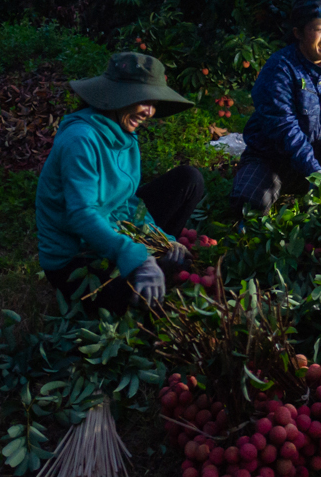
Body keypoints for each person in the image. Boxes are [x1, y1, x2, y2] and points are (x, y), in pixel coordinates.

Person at [36, 52, 205, 317]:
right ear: (119, 95)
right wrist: (135, 257)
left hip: (112, 231)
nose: (150, 112)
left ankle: (152, 264)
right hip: (76, 256)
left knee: (189, 179)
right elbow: (81, 215)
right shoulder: (81, 140)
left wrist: (163, 240)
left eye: (153, 103)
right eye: (144, 101)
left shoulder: (124, 134)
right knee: (141, 312)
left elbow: (126, 201)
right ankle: (140, 271)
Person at [230, 0, 321, 217]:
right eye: (318, 29)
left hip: (320, 156)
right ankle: (296, 188)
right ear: (298, 33)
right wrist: (313, 170)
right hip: (276, 161)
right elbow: (284, 128)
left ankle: (318, 192)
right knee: (249, 203)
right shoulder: (280, 68)